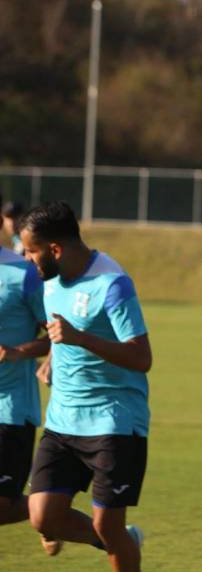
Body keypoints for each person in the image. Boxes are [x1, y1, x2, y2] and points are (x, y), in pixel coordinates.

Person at [21, 201, 151, 571]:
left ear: (55, 249)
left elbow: (142, 357)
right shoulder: (49, 281)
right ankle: (120, 539)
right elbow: (62, 334)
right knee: (42, 516)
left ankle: (118, 539)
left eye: (32, 251)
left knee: (109, 526)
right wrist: (51, 360)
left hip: (114, 421)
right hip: (62, 420)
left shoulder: (112, 284)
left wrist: (81, 339)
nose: (27, 259)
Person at [0, 193, 48, 531]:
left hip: (10, 409)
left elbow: (60, 335)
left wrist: (18, 352)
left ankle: (51, 511)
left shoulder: (23, 273)